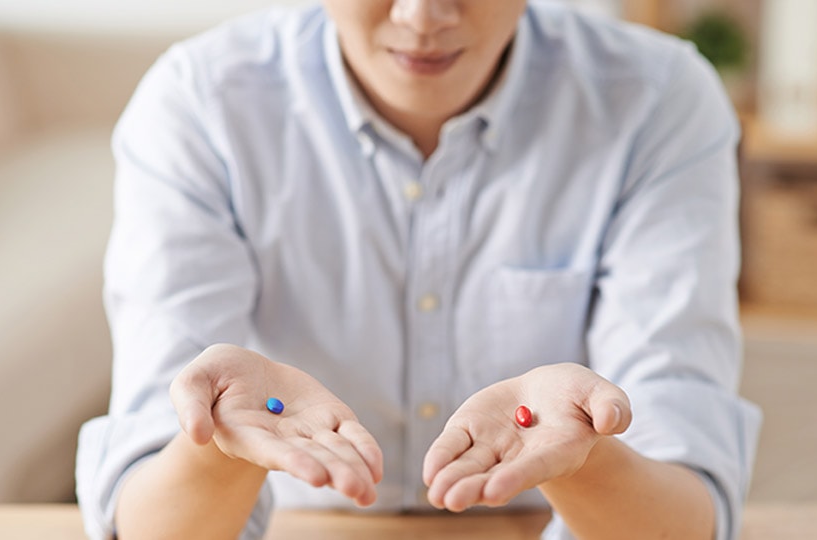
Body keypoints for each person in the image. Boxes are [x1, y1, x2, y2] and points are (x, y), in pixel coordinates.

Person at [75, 1, 762, 539]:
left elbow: (688, 518)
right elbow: (146, 525)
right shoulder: (197, 103)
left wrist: (585, 458)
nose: (423, 17)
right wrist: (216, 445)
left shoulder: (659, 99)